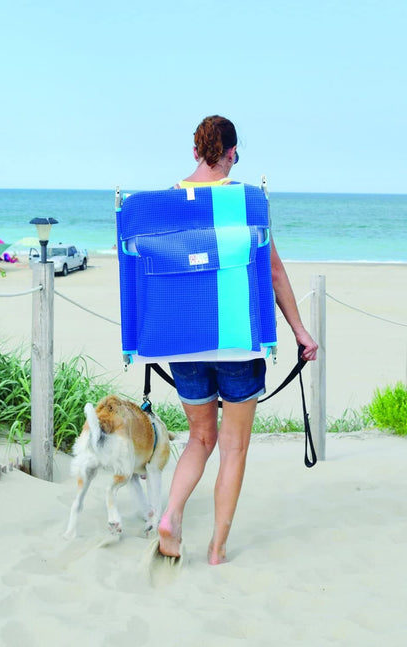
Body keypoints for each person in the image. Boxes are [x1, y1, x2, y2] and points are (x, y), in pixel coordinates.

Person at [158, 115, 318, 565]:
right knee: (233, 447)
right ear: (231, 153)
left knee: (199, 438)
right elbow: (273, 272)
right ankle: (216, 549)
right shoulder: (246, 201)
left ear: (195, 152)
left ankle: (171, 514)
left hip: (186, 342)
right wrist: (300, 331)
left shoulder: (168, 201)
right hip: (238, 341)